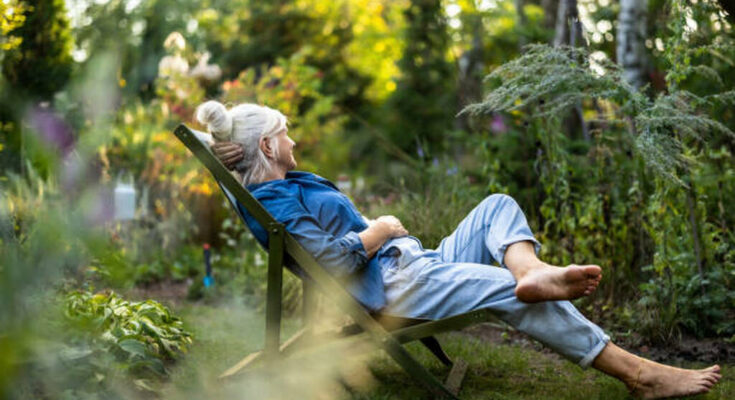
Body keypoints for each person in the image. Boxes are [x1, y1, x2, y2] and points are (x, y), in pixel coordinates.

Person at [195, 101, 721, 399]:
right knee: (504, 291)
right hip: (395, 285)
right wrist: (378, 231)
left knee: (496, 205)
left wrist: (224, 146)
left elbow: (241, 174)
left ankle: (532, 270)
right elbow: (332, 263)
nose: (294, 139)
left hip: (413, 263)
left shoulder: (281, 184)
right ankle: (640, 375)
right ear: (267, 146)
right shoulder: (278, 203)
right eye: (286, 134)